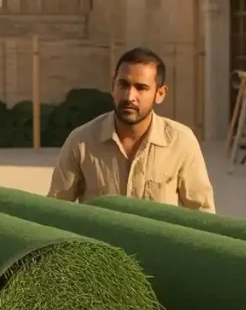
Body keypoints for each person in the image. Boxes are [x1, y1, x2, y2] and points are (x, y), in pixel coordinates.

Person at [47, 46, 215, 212]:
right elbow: (55, 211)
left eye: (141, 88)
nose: (129, 96)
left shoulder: (181, 142)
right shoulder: (82, 142)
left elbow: (202, 215)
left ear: (160, 94)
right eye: (123, 85)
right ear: (113, 86)